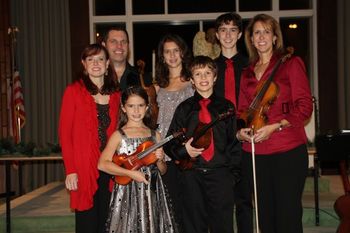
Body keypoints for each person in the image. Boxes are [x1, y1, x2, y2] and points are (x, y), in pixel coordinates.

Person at [236, 14, 313, 233]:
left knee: (287, 216)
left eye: (266, 32)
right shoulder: (246, 72)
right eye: (256, 32)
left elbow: (305, 107)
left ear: (275, 38)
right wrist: (241, 131)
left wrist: (276, 126)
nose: (261, 37)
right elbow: (242, 109)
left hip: (286, 150)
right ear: (251, 39)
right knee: (265, 218)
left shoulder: (291, 64)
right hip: (255, 153)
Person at [164, 56, 241, 233]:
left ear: (215, 77)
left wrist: (232, 177)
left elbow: (234, 144)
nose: (203, 78)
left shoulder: (227, 107)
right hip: (192, 177)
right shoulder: (184, 109)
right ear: (191, 80)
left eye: (207, 73)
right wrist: (184, 151)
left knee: (222, 226)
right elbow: (169, 144)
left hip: (220, 176)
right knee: (193, 226)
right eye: (198, 74)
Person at [97, 86, 178, 233]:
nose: (136, 111)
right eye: (131, 106)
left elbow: (163, 171)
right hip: (127, 190)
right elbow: (102, 164)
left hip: (152, 190)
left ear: (147, 107)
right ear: (123, 108)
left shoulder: (155, 135)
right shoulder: (119, 135)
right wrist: (130, 173)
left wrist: (160, 160)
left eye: (140, 105)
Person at [59, 43, 120, 233]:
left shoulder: (116, 95)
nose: (96, 63)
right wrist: (71, 170)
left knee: (108, 222)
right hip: (84, 168)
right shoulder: (73, 91)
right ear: (83, 64)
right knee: (87, 223)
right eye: (90, 59)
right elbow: (65, 134)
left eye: (100, 59)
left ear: (108, 63)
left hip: (110, 166)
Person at [214, 12, 251, 233]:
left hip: (245, 135)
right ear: (217, 35)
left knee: (245, 200)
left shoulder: (250, 65)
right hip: (219, 139)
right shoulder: (210, 68)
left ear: (239, 35)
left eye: (233, 30)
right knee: (221, 202)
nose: (228, 35)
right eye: (223, 30)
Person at [154, 33, 194, 228]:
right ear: (162, 56)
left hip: (188, 153)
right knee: (170, 209)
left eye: (175, 50)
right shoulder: (157, 86)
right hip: (164, 155)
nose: (172, 55)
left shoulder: (193, 81)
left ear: (183, 53)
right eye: (167, 51)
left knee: (191, 208)